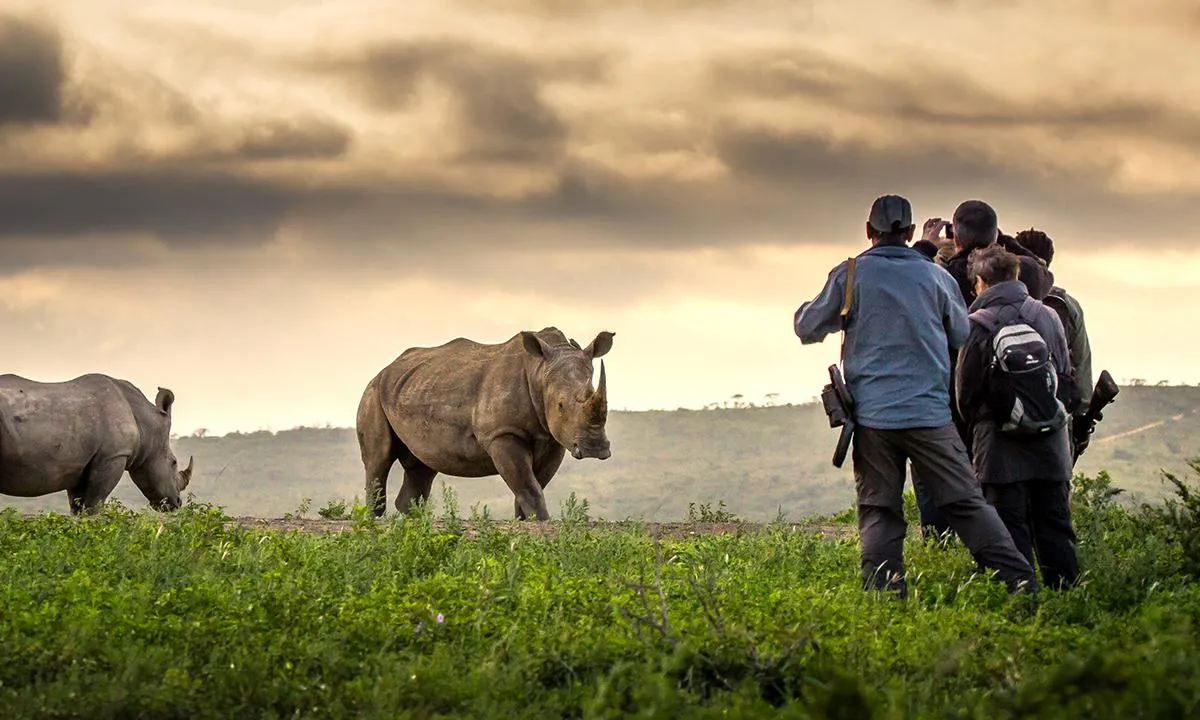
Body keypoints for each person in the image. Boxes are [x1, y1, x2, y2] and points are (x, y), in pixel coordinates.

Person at [794, 194, 1038, 598]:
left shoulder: (850, 275)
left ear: (869, 231)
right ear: (909, 233)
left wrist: (814, 309)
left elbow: (807, 328)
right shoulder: (937, 277)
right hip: (930, 414)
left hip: (873, 419)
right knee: (967, 503)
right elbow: (961, 334)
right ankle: (1021, 583)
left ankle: (886, 599)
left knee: (878, 510)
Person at [910, 201, 1056, 541]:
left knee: (933, 472)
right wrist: (1000, 238)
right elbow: (1040, 268)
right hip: (1009, 394)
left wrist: (929, 245)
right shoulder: (1027, 274)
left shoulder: (941, 273)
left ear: (955, 236)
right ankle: (1000, 544)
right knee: (997, 480)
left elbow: (909, 281)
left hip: (950, 391)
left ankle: (941, 543)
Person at [955, 245, 1079, 589]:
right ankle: (1068, 605)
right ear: (1016, 275)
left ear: (980, 282)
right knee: (1056, 528)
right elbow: (1064, 374)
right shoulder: (1048, 316)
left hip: (999, 448)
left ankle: (1021, 607)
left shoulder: (975, 325)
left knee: (1009, 536)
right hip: (1050, 441)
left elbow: (965, 396)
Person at [1014, 228, 1094, 451]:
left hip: (1009, 412)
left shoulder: (999, 302)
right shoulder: (1067, 305)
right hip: (1057, 411)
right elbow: (1081, 361)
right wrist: (1080, 414)